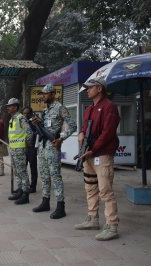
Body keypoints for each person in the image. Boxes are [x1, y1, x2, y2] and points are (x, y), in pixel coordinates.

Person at [75, 77, 121, 241]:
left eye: (90, 87)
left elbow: (108, 133)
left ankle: (112, 225)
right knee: (90, 188)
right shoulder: (89, 108)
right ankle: (92, 218)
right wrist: (81, 135)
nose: (87, 90)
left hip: (101, 155)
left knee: (105, 191)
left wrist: (93, 150)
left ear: (99, 88)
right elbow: (84, 128)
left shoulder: (109, 107)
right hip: (88, 155)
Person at [32, 84, 76, 219]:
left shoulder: (60, 108)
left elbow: (73, 126)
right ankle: (45, 202)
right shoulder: (45, 110)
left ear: (52, 94)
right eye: (43, 94)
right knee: (44, 175)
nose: (43, 96)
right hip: (43, 147)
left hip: (53, 146)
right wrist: (38, 123)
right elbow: (45, 128)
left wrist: (61, 139)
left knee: (55, 176)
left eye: (45, 94)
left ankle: (60, 206)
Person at [5, 98, 32, 205]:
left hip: (20, 149)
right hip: (13, 149)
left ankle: (25, 194)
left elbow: (29, 133)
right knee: (16, 171)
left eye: (10, 106)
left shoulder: (21, 118)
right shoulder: (12, 119)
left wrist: (26, 146)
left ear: (15, 107)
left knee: (22, 172)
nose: (8, 107)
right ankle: (20, 190)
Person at [23, 107, 39, 193]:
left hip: (32, 148)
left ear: (30, 113)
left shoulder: (34, 122)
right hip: (23, 148)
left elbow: (38, 134)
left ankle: (33, 187)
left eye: (27, 113)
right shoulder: (22, 122)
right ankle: (24, 186)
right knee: (23, 168)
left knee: (33, 168)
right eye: (24, 113)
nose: (25, 115)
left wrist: (36, 147)